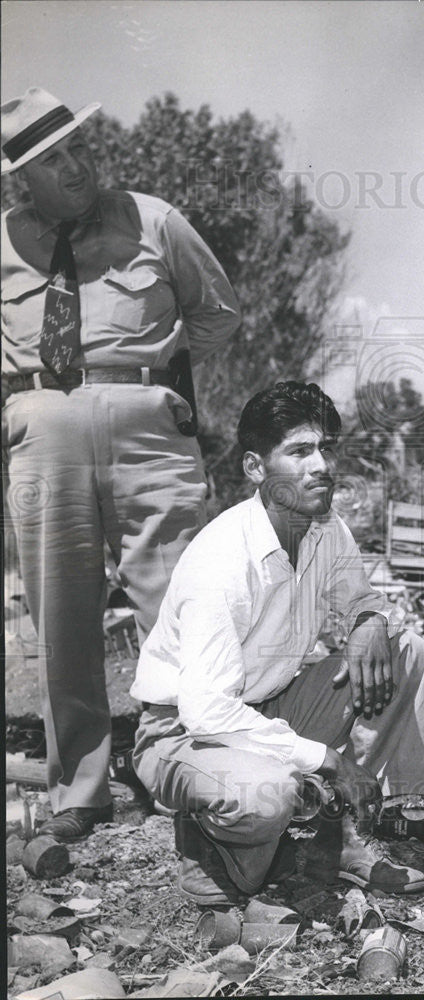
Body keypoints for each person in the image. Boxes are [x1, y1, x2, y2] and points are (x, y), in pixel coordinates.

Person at [1, 88, 241, 841]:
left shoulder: (154, 218)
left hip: (146, 427)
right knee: (62, 615)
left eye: (78, 148)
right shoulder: (3, 239)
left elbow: (218, 312)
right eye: (52, 161)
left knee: (178, 607)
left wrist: (164, 374)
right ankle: (82, 788)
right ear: (21, 180)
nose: (74, 168)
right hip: (42, 434)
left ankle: (189, 768)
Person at [130, 381, 424, 906]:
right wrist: (329, 761)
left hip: (267, 705)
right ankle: (212, 846)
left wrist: (367, 622)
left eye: (326, 449)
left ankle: (342, 836)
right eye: (299, 451)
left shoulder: (324, 527)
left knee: (403, 653)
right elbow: (206, 712)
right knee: (266, 800)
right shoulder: (222, 559)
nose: (321, 466)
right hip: (182, 733)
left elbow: (363, 597)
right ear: (254, 468)